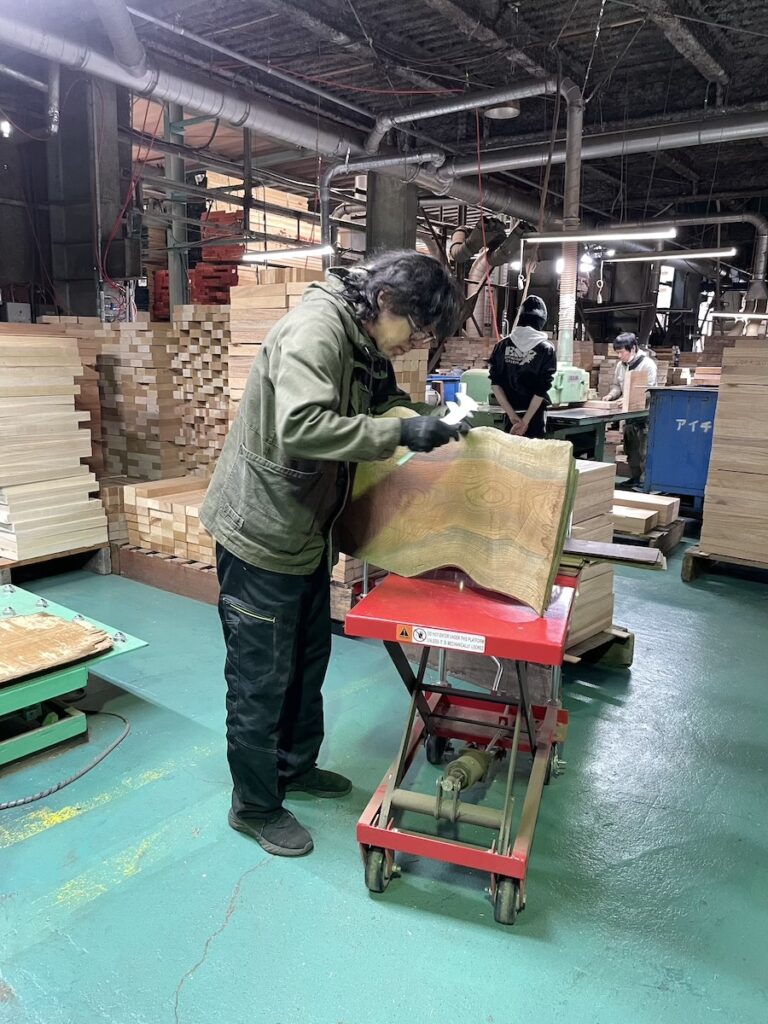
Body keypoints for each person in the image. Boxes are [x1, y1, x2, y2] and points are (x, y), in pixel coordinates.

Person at [200, 250, 463, 858]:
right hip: (262, 531)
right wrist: (400, 433)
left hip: (305, 530)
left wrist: (430, 420)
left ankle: (293, 767)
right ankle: (254, 805)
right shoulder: (317, 332)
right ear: (387, 301)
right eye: (416, 330)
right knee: (260, 679)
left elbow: (382, 402)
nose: (413, 344)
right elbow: (303, 428)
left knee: (306, 660)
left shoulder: (364, 340)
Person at [488, 295, 557, 439]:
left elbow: (495, 385)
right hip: (535, 417)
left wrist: (513, 417)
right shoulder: (546, 349)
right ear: (541, 321)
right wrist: (525, 421)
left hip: (508, 415)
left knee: (508, 449)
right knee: (532, 451)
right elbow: (541, 389)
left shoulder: (501, 346)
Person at [602, 332, 658, 486]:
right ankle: (635, 478)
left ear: (633, 348)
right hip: (628, 416)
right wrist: (611, 396)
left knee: (643, 450)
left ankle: (645, 482)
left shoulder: (647, 365)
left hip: (644, 415)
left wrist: (628, 399)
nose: (619, 356)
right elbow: (616, 386)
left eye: (621, 352)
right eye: (617, 353)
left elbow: (649, 390)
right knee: (631, 449)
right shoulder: (621, 366)